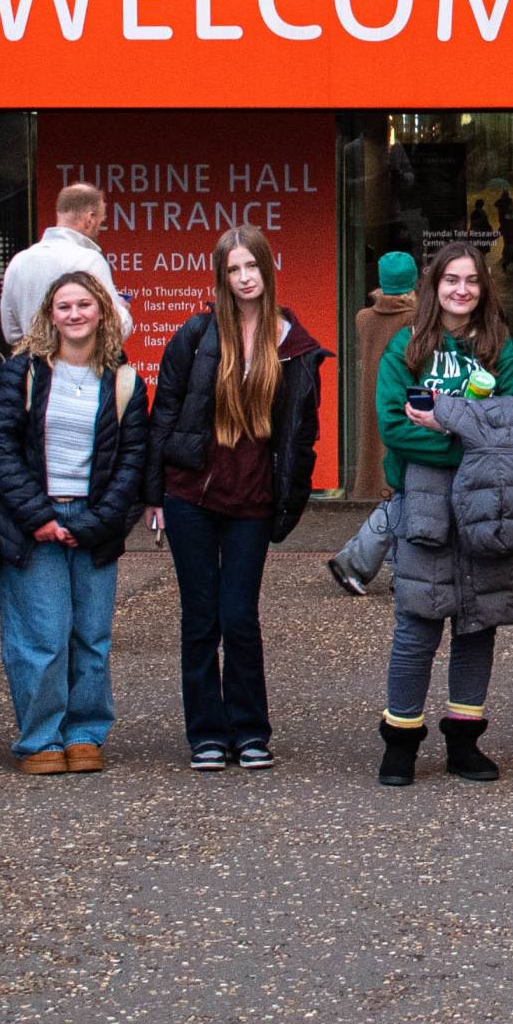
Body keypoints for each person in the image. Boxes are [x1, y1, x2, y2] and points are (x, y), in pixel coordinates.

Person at [152, 225, 326, 771]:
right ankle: (206, 733)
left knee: (240, 618)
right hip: (191, 496)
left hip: (251, 500)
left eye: (252, 267)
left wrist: (289, 502)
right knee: (200, 617)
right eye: (233, 269)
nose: (245, 278)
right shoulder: (197, 335)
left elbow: (302, 435)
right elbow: (166, 412)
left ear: (267, 270)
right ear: (221, 277)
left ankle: (250, 731)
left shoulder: (294, 345)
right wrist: (155, 493)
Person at [372, 246, 513, 785]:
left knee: (478, 624)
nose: (462, 290)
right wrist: (477, 438)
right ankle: (400, 743)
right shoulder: (406, 347)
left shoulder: (501, 350)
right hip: (423, 505)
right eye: (452, 280)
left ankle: (464, 743)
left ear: (483, 288)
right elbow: (394, 427)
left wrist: (444, 422)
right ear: (434, 286)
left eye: (472, 281)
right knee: (417, 627)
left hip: (488, 506)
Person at [0, 274, 152, 773]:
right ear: (50, 315)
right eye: (64, 306)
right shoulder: (23, 373)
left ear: (102, 312)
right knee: (42, 637)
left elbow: (131, 462)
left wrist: (99, 522)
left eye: (84, 305)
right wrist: (38, 516)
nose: (75, 314)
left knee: (92, 637)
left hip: (93, 522)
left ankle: (84, 734)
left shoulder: (124, 381)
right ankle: (40, 739)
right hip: (33, 518)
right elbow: (0, 450)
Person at [342, 249, 423, 511]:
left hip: (373, 392)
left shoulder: (363, 318)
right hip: (406, 391)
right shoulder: (417, 319)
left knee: (374, 446)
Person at [0, 180, 119, 344]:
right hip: (81, 365)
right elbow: (116, 329)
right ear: (89, 219)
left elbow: (11, 333)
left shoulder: (18, 261)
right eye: (101, 222)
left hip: (33, 364)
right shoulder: (89, 260)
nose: (99, 229)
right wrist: (123, 309)